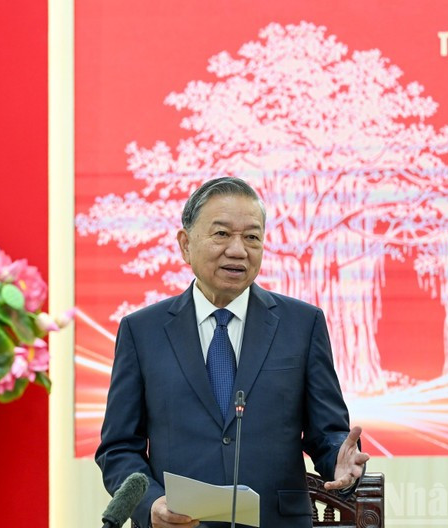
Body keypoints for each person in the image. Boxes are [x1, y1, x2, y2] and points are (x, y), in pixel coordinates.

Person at [95, 177, 369, 528]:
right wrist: (150, 504)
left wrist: (340, 461)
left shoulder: (302, 324)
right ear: (185, 244)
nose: (238, 250)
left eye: (252, 237)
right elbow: (117, 449)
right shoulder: (141, 331)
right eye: (222, 234)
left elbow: (327, 432)